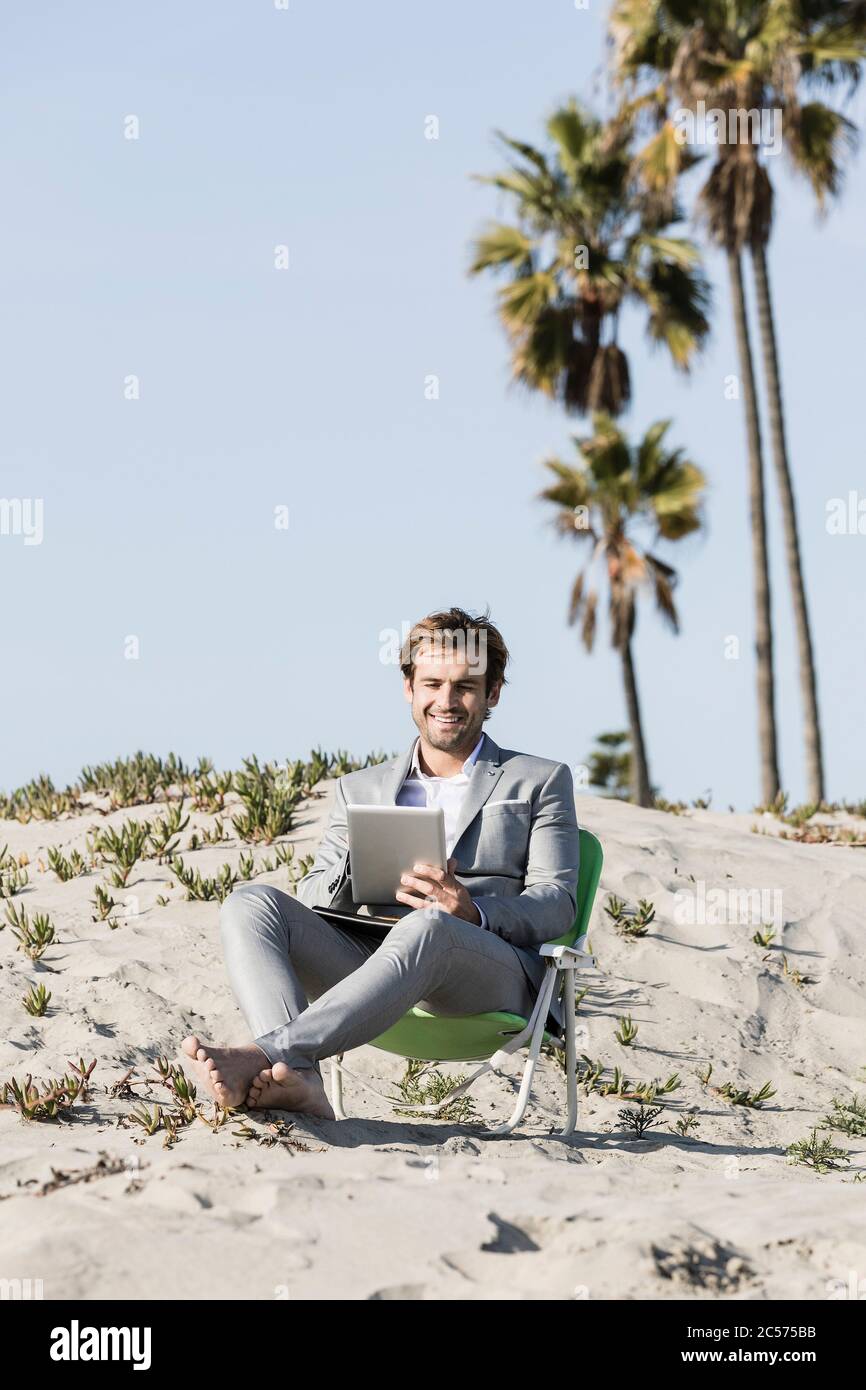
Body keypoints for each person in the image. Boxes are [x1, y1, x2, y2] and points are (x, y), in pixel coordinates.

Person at [182, 606, 580, 1116]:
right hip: (379, 966)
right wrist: (357, 863)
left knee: (431, 925)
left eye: (465, 687)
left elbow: (557, 904)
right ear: (409, 688)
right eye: (432, 683)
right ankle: (299, 1079)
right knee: (250, 904)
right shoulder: (360, 789)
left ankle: (266, 1056)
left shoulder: (540, 780)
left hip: (490, 975)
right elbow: (313, 897)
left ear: (493, 693)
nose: (446, 701)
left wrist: (472, 913)